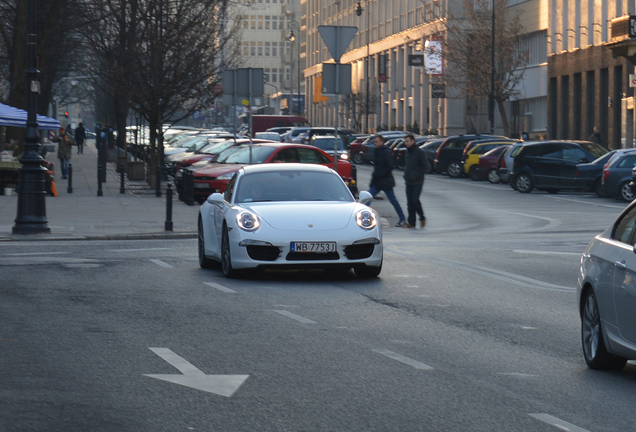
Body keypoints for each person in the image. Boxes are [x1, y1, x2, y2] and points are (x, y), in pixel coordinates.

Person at [369, 134, 407, 227]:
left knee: (393, 200)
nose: (375, 143)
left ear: (382, 142)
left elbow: (390, 165)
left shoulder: (385, 151)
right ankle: (360, 217)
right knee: (367, 198)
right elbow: (376, 167)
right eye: (374, 142)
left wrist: (381, 174)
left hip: (385, 181)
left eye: (377, 142)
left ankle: (402, 219)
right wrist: (374, 179)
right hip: (377, 181)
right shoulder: (376, 151)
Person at [403, 134, 427, 229]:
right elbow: (407, 166)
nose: (406, 143)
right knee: (409, 202)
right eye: (405, 141)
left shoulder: (419, 152)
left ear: (413, 141)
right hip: (409, 181)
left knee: (414, 199)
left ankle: (422, 217)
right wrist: (406, 175)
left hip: (418, 181)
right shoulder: (408, 152)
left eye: (407, 141)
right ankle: (411, 223)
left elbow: (425, 166)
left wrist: (416, 176)